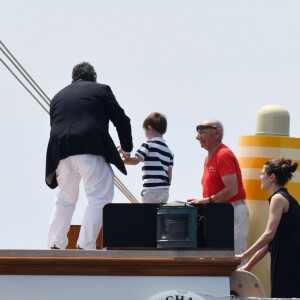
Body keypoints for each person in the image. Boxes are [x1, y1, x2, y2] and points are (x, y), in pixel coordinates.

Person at [46, 62, 133, 250]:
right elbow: (121, 120)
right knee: (99, 197)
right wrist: (126, 148)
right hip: (90, 146)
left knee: (64, 198)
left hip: (60, 151)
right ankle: (85, 246)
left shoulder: (57, 97)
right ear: (94, 77)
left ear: (72, 79)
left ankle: (55, 244)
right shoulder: (101, 90)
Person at [236, 158, 300, 298]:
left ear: (271, 177)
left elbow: (269, 234)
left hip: (289, 261)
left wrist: (244, 255)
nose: (260, 177)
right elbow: (270, 243)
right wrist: (249, 265)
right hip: (286, 259)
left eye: (262, 173)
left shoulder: (278, 199)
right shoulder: (284, 198)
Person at [187, 119, 249, 256]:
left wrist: (206, 200)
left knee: (235, 258)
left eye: (202, 132)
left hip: (231, 212)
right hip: (220, 213)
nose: (198, 137)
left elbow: (232, 189)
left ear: (217, 133)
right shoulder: (209, 157)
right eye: (198, 132)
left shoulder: (223, 155)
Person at [122, 112, 174, 203]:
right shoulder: (169, 151)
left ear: (150, 129)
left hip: (151, 189)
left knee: (147, 214)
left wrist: (119, 160)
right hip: (165, 191)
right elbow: (169, 175)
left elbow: (135, 161)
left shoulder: (148, 145)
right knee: (157, 216)